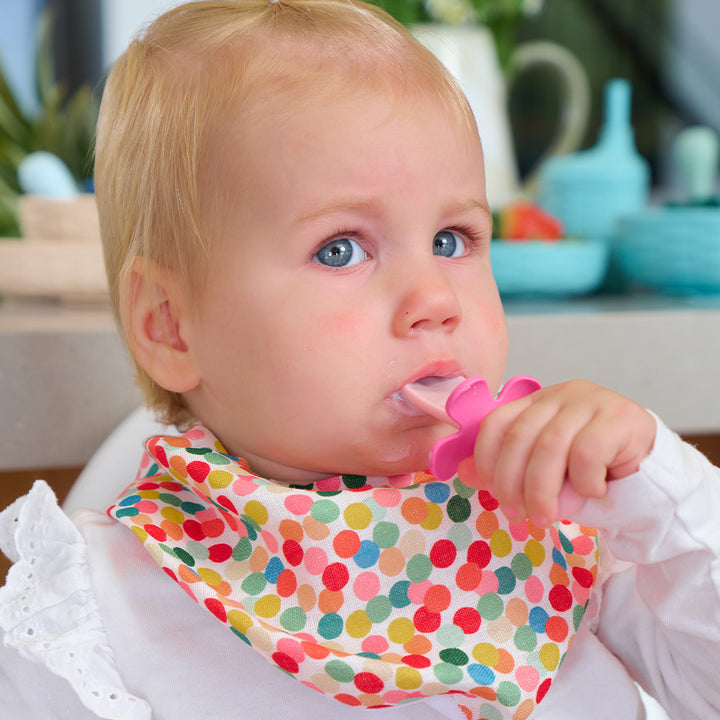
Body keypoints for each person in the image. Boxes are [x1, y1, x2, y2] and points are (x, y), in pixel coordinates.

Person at [1, 1, 719, 718]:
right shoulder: (96, 610)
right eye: (340, 249)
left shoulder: (570, 529)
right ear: (171, 328)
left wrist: (657, 488)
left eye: (452, 239)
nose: (435, 298)